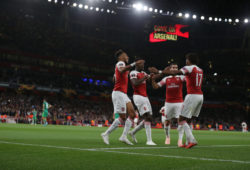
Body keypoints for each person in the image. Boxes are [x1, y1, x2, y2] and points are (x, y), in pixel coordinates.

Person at [149, 53, 203, 149]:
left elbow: (175, 73)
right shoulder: (200, 70)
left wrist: (159, 71)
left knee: (181, 120)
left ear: (189, 60)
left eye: (187, 59)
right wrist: (156, 77)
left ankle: (192, 140)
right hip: (200, 96)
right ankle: (187, 142)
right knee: (188, 120)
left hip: (191, 96)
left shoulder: (189, 68)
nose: (186, 61)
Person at [101, 49, 143, 145]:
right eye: (126, 55)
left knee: (132, 114)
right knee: (122, 117)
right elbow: (121, 70)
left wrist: (116, 76)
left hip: (123, 94)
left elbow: (115, 77)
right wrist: (134, 63)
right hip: (118, 93)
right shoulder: (120, 63)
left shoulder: (122, 65)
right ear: (121, 57)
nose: (127, 57)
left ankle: (123, 136)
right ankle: (106, 134)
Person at [151, 63, 185, 146]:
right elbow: (156, 87)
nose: (175, 69)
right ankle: (167, 137)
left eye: (176, 67)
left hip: (179, 102)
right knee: (167, 122)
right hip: (168, 103)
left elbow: (189, 79)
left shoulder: (181, 78)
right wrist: (152, 80)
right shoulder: (166, 79)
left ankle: (180, 140)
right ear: (170, 69)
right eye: (173, 67)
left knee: (180, 121)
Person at [128, 58, 156, 145]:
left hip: (145, 97)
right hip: (138, 97)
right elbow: (135, 83)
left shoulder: (143, 73)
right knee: (147, 117)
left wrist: (152, 76)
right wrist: (144, 77)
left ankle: (133, 132)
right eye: (142, 64)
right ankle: (149, 140)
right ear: (137, 65)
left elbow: (149, 81)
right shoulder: (133, 73)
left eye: (143, 64)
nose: (143, 66)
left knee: (149, 118)